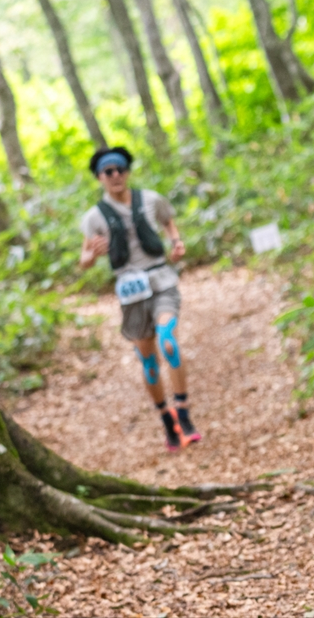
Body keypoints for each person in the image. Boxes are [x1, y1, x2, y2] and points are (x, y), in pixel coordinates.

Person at [79, 146, 201, 452]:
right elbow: (84, 259)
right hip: (130, 294)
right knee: (148, 361)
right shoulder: (94, 218)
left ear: (128, 172)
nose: (116, 175)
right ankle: (166, 420)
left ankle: (183, 411)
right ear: (100, 177)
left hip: (161, 281)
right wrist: (91, 256)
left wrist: (176, 243)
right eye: (108, 171)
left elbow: (168, 221)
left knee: (167, 339)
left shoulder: (150, 199)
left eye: (120, 169)